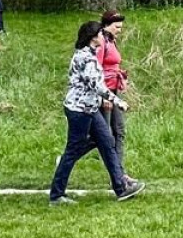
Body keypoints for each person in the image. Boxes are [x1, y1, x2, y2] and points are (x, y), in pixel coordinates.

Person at [47, 20, 144, 205]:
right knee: (73, 149)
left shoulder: (91, 54)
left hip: (90, 108)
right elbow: (97, 86)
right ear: (93, 37)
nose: (103, 37)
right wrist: (118, 101)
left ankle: (121, 189)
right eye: (100, 34)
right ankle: (56, 195)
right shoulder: (86, 58)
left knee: (107, 141)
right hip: (79, 110)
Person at [96, 11, 130, 166]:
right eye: (117, 27)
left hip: (114, 90)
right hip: (105, 93)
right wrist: (104, 97)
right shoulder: (101, 42)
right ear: (106, 25)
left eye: (121, 27)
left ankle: (118, 171)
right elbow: (96, 69)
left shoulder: (111, 40)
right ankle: (67, 159)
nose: (120, 30)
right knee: (102, 135)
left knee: (119, 130)